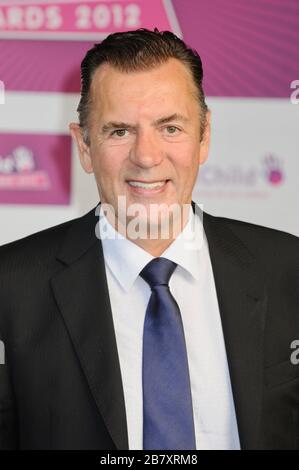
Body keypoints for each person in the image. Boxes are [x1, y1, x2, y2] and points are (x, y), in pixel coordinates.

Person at [0, 28, 299, 451]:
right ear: (84, 146)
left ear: (204, 136)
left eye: (170, 128)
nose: (146, 156)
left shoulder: (289, 271)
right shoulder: (10, 289)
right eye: (119, 131)